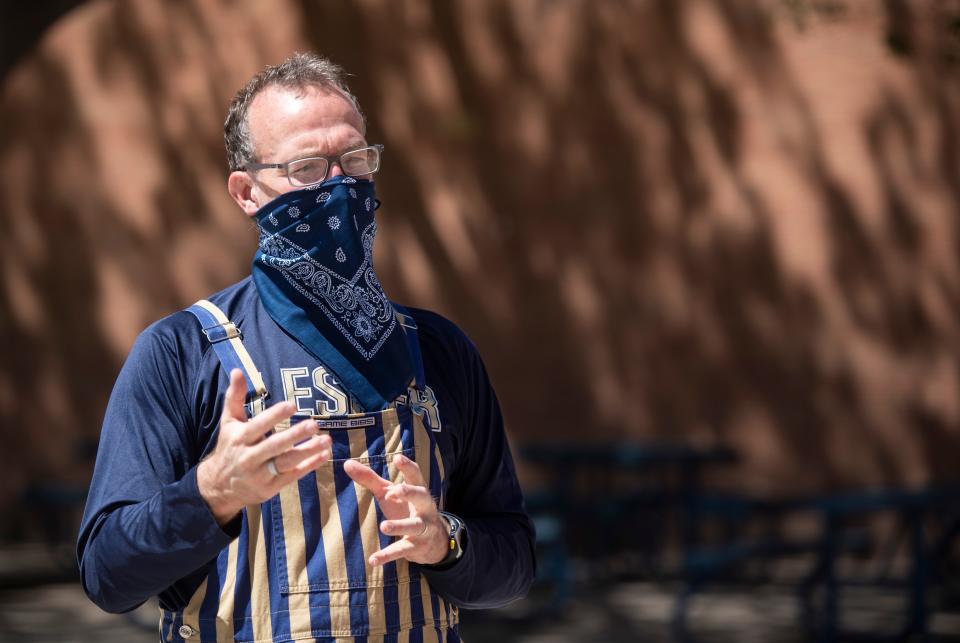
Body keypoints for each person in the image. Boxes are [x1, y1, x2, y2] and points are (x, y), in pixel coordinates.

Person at [77, 52, 535, 642]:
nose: (339, 186)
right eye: (308, 168)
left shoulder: (440, 352)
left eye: (354, 160)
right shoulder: (181, 351)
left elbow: (515, 563)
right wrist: (208, 495)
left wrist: (444, 541)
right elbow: (106, 575)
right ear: (246, 192)